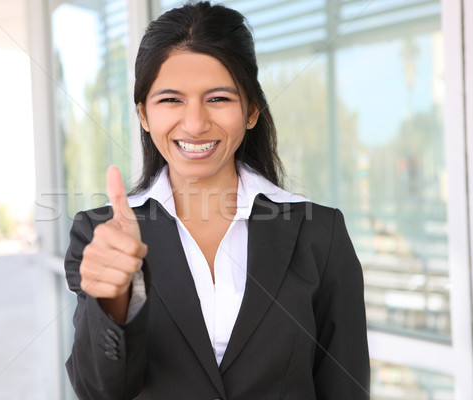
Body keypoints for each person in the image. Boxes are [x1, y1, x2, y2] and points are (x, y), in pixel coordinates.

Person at [64, 2, 370, 399]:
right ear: (143, 114)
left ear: (251, 110)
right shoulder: (100, 235)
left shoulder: (319, 234)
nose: (194, 124)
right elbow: (98, 392)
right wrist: (115, 301)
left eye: (218, 99)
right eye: (171, 100)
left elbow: (345, 387)